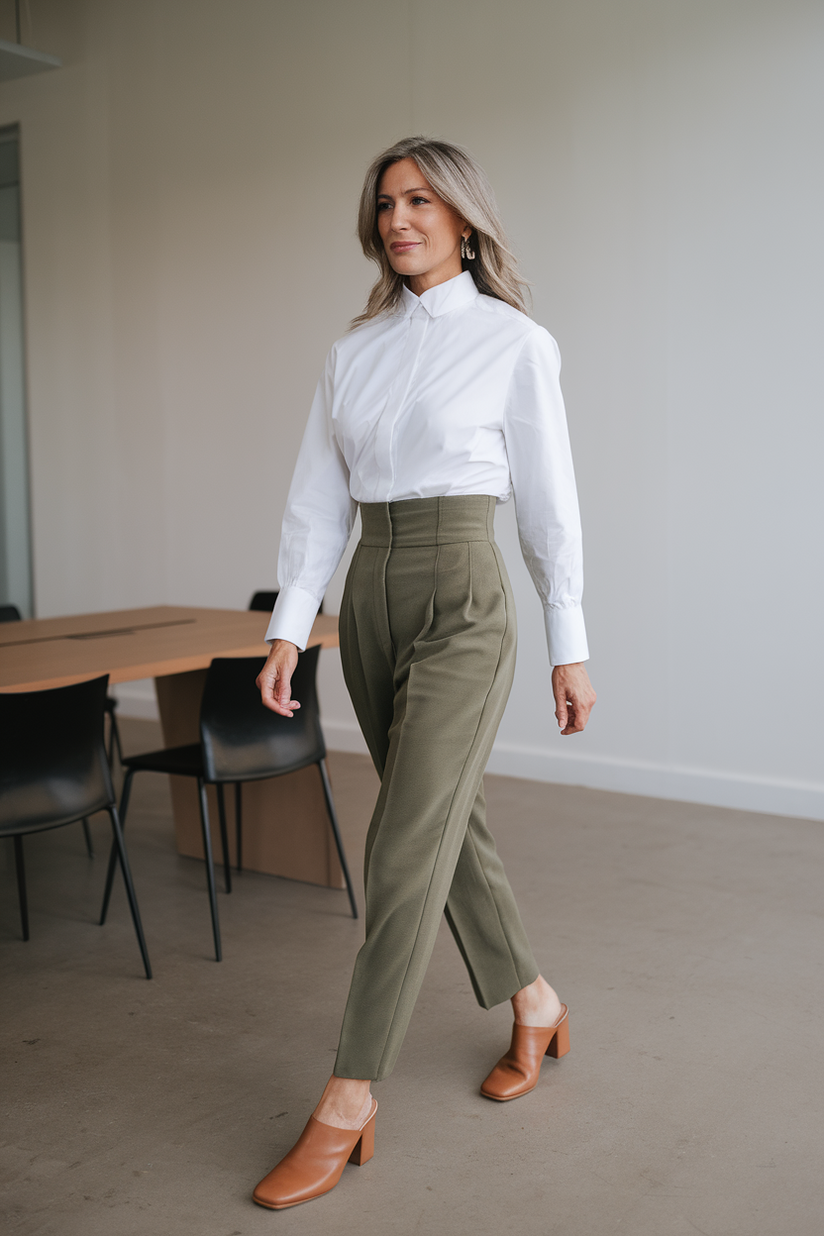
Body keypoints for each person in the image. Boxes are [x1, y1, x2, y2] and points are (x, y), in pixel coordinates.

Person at [251, 136, 596, 1210]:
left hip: (462, 599)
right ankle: (532, 998)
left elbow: (547, 502)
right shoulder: (350, 353)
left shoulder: (512, 344)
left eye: (419, 200)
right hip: (370, 599)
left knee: (402, 841)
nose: (399, 218)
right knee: (448, 824)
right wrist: (289, 625)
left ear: (461, 217)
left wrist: (567, 639)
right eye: (385, 203)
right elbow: (316, 499)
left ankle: (349, 1095)